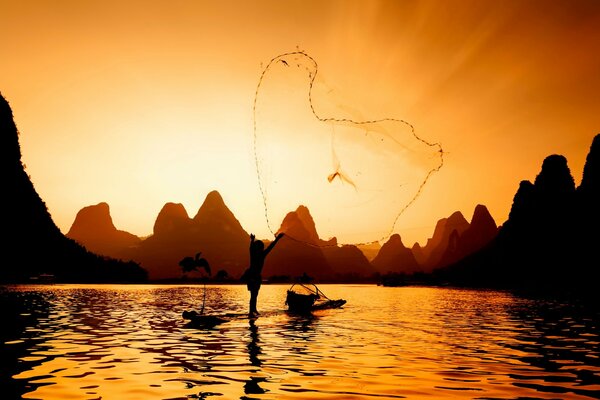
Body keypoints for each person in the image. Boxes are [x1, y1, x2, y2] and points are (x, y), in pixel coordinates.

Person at [242, 232, 285, 317]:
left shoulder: (260, 254)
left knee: (255, 294)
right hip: (252, 276)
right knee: (253, 294)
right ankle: (251, 311)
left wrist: (277, 239)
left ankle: (253, 310)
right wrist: (252, 240)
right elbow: (252, 248)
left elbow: (270, 247)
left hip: (257, 277)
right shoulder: (256, 255)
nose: (261, 247)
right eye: (260, 246)